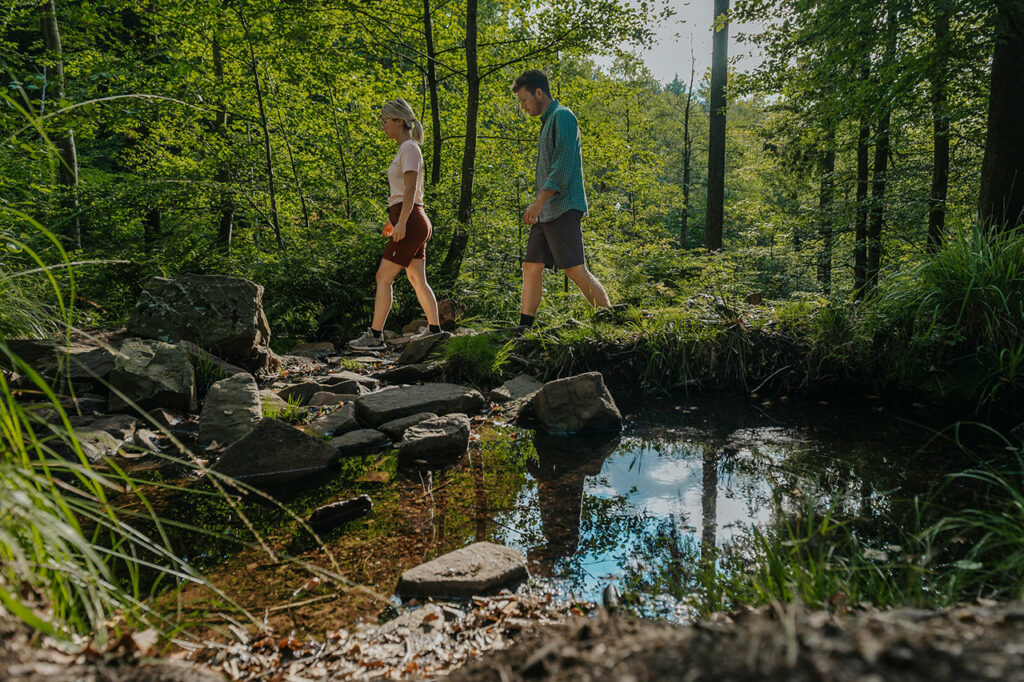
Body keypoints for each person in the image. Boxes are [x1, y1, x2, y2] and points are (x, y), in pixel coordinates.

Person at [512, 69, 610, 329]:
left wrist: (538, 202)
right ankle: (524, 329)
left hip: (562, 207)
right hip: (546, 213)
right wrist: (540, 207)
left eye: (524, 100)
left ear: (539, 92)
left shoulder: (562, 116)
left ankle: (610, 320)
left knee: (575, 269)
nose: (523, 106)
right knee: (531, 267)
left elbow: (563, 165)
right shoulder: (548, 121)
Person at [349, 98, 441, 351]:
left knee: (383, 277)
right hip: (409, 217)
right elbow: (404, 191)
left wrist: (401, 222)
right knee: (416, 278)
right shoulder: (406, 149)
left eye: (386, 122)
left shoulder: (410, 148)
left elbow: (411, 189)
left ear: (399, 121)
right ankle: (434, 331)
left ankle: (375, 336)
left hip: (410, 219)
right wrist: (393, 222)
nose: (383, 127)